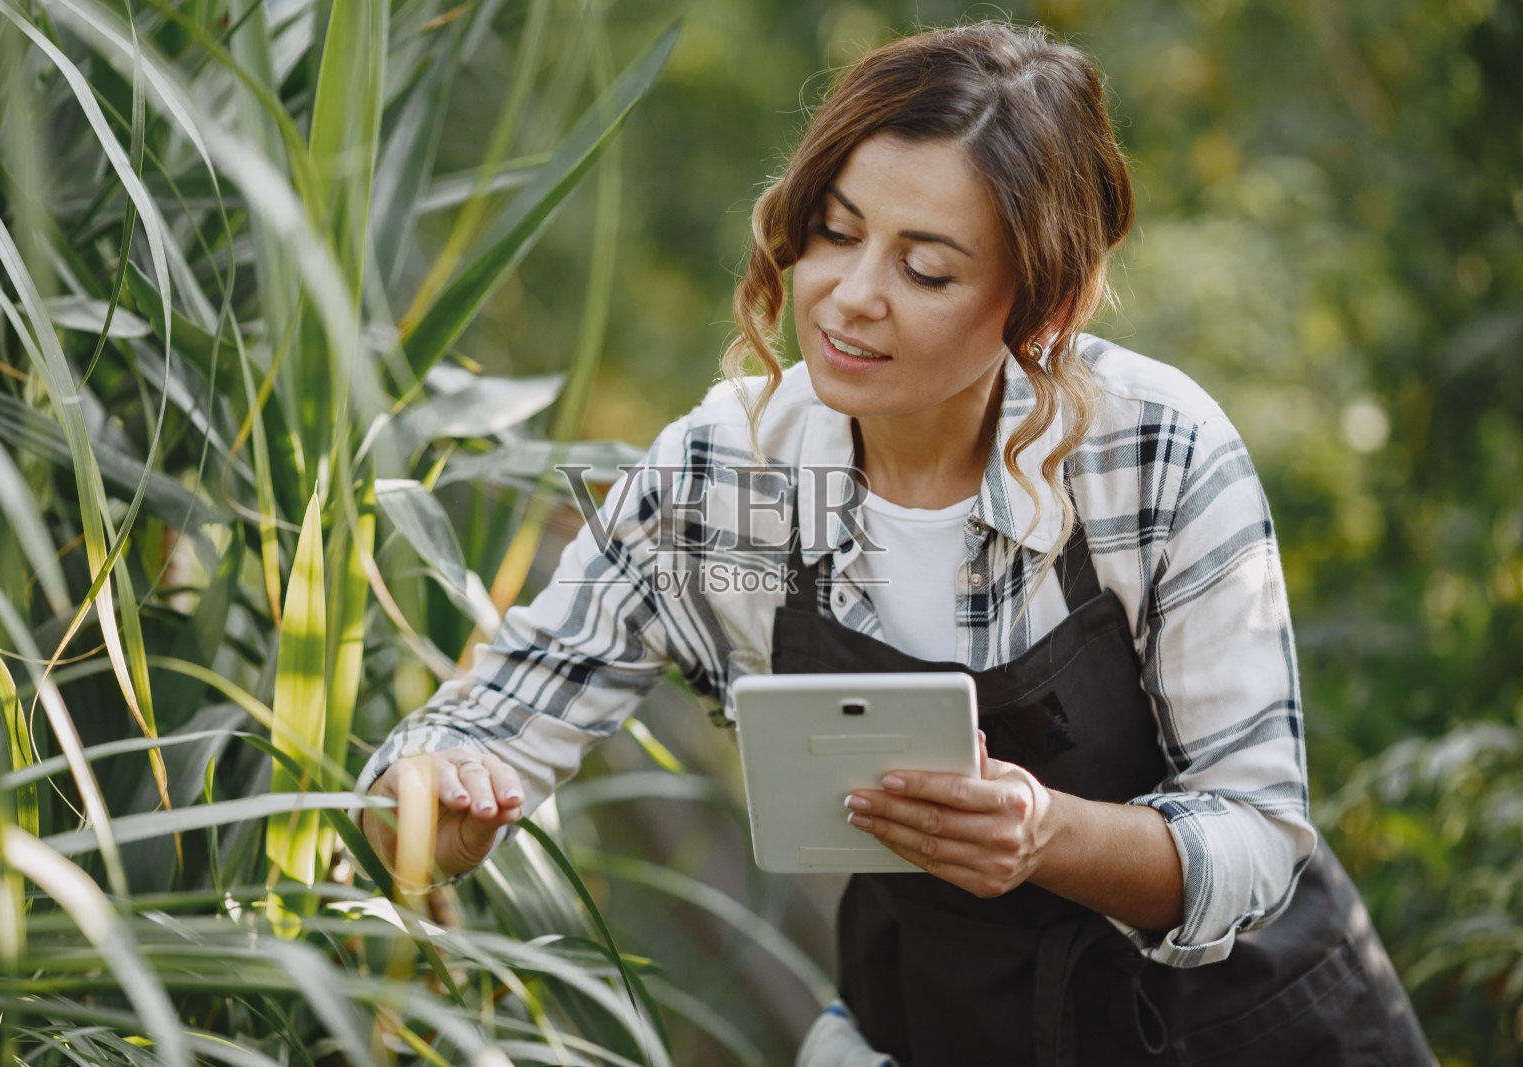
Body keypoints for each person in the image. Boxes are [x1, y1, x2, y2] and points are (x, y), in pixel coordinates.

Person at [359, 20, 1434, 1067]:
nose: (851, 296)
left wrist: (1047, 833)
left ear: (1045, 306)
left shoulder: (1153, 449)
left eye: (925, 270)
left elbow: (1256, 831)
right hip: (938, 1021)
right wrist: (437, 802)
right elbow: (488, 721)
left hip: (1236, 1024)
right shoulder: (726, 472)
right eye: (835, 231)